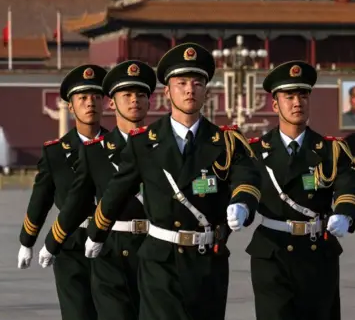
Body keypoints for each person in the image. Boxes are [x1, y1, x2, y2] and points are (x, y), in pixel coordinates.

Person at [84, 43, 262, 320]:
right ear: (167, 92)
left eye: (197, 83)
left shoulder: (226, 142)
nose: (190, 89)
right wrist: (97, 232)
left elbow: (247, 178)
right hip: (160, 261)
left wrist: (242, 205)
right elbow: (117, 192)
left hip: (208, 260)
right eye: (181, 83)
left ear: (206, 91)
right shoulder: (144, 143)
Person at [37, 60, 157, 320]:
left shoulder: (165, 145)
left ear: (151, 102)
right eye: (126, 95)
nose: (134, 101)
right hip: (110, 250)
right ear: (112, 102)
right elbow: (77, 200)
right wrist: (51, 242)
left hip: (156, 249)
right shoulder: (95, 151)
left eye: (141, 95)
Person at [247, 60, 355, 320]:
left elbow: (349, 184)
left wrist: (345, 213)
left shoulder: (330, 150)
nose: (297, 103)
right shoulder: (254, 151)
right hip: (272, 253)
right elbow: (239, 185)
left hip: (317, 254)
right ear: (275, 104)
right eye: (289, 97)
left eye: (303, 96)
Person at [17, 64, 107, 320]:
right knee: (77, 314)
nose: (90, 103)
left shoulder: (119, 147)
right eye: (83, 98)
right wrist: (27, 241)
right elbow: (42, 198)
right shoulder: (56, 152)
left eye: (96, 97)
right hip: (70, 247)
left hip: (111, 244)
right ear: (71, 106)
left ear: (105, 103)